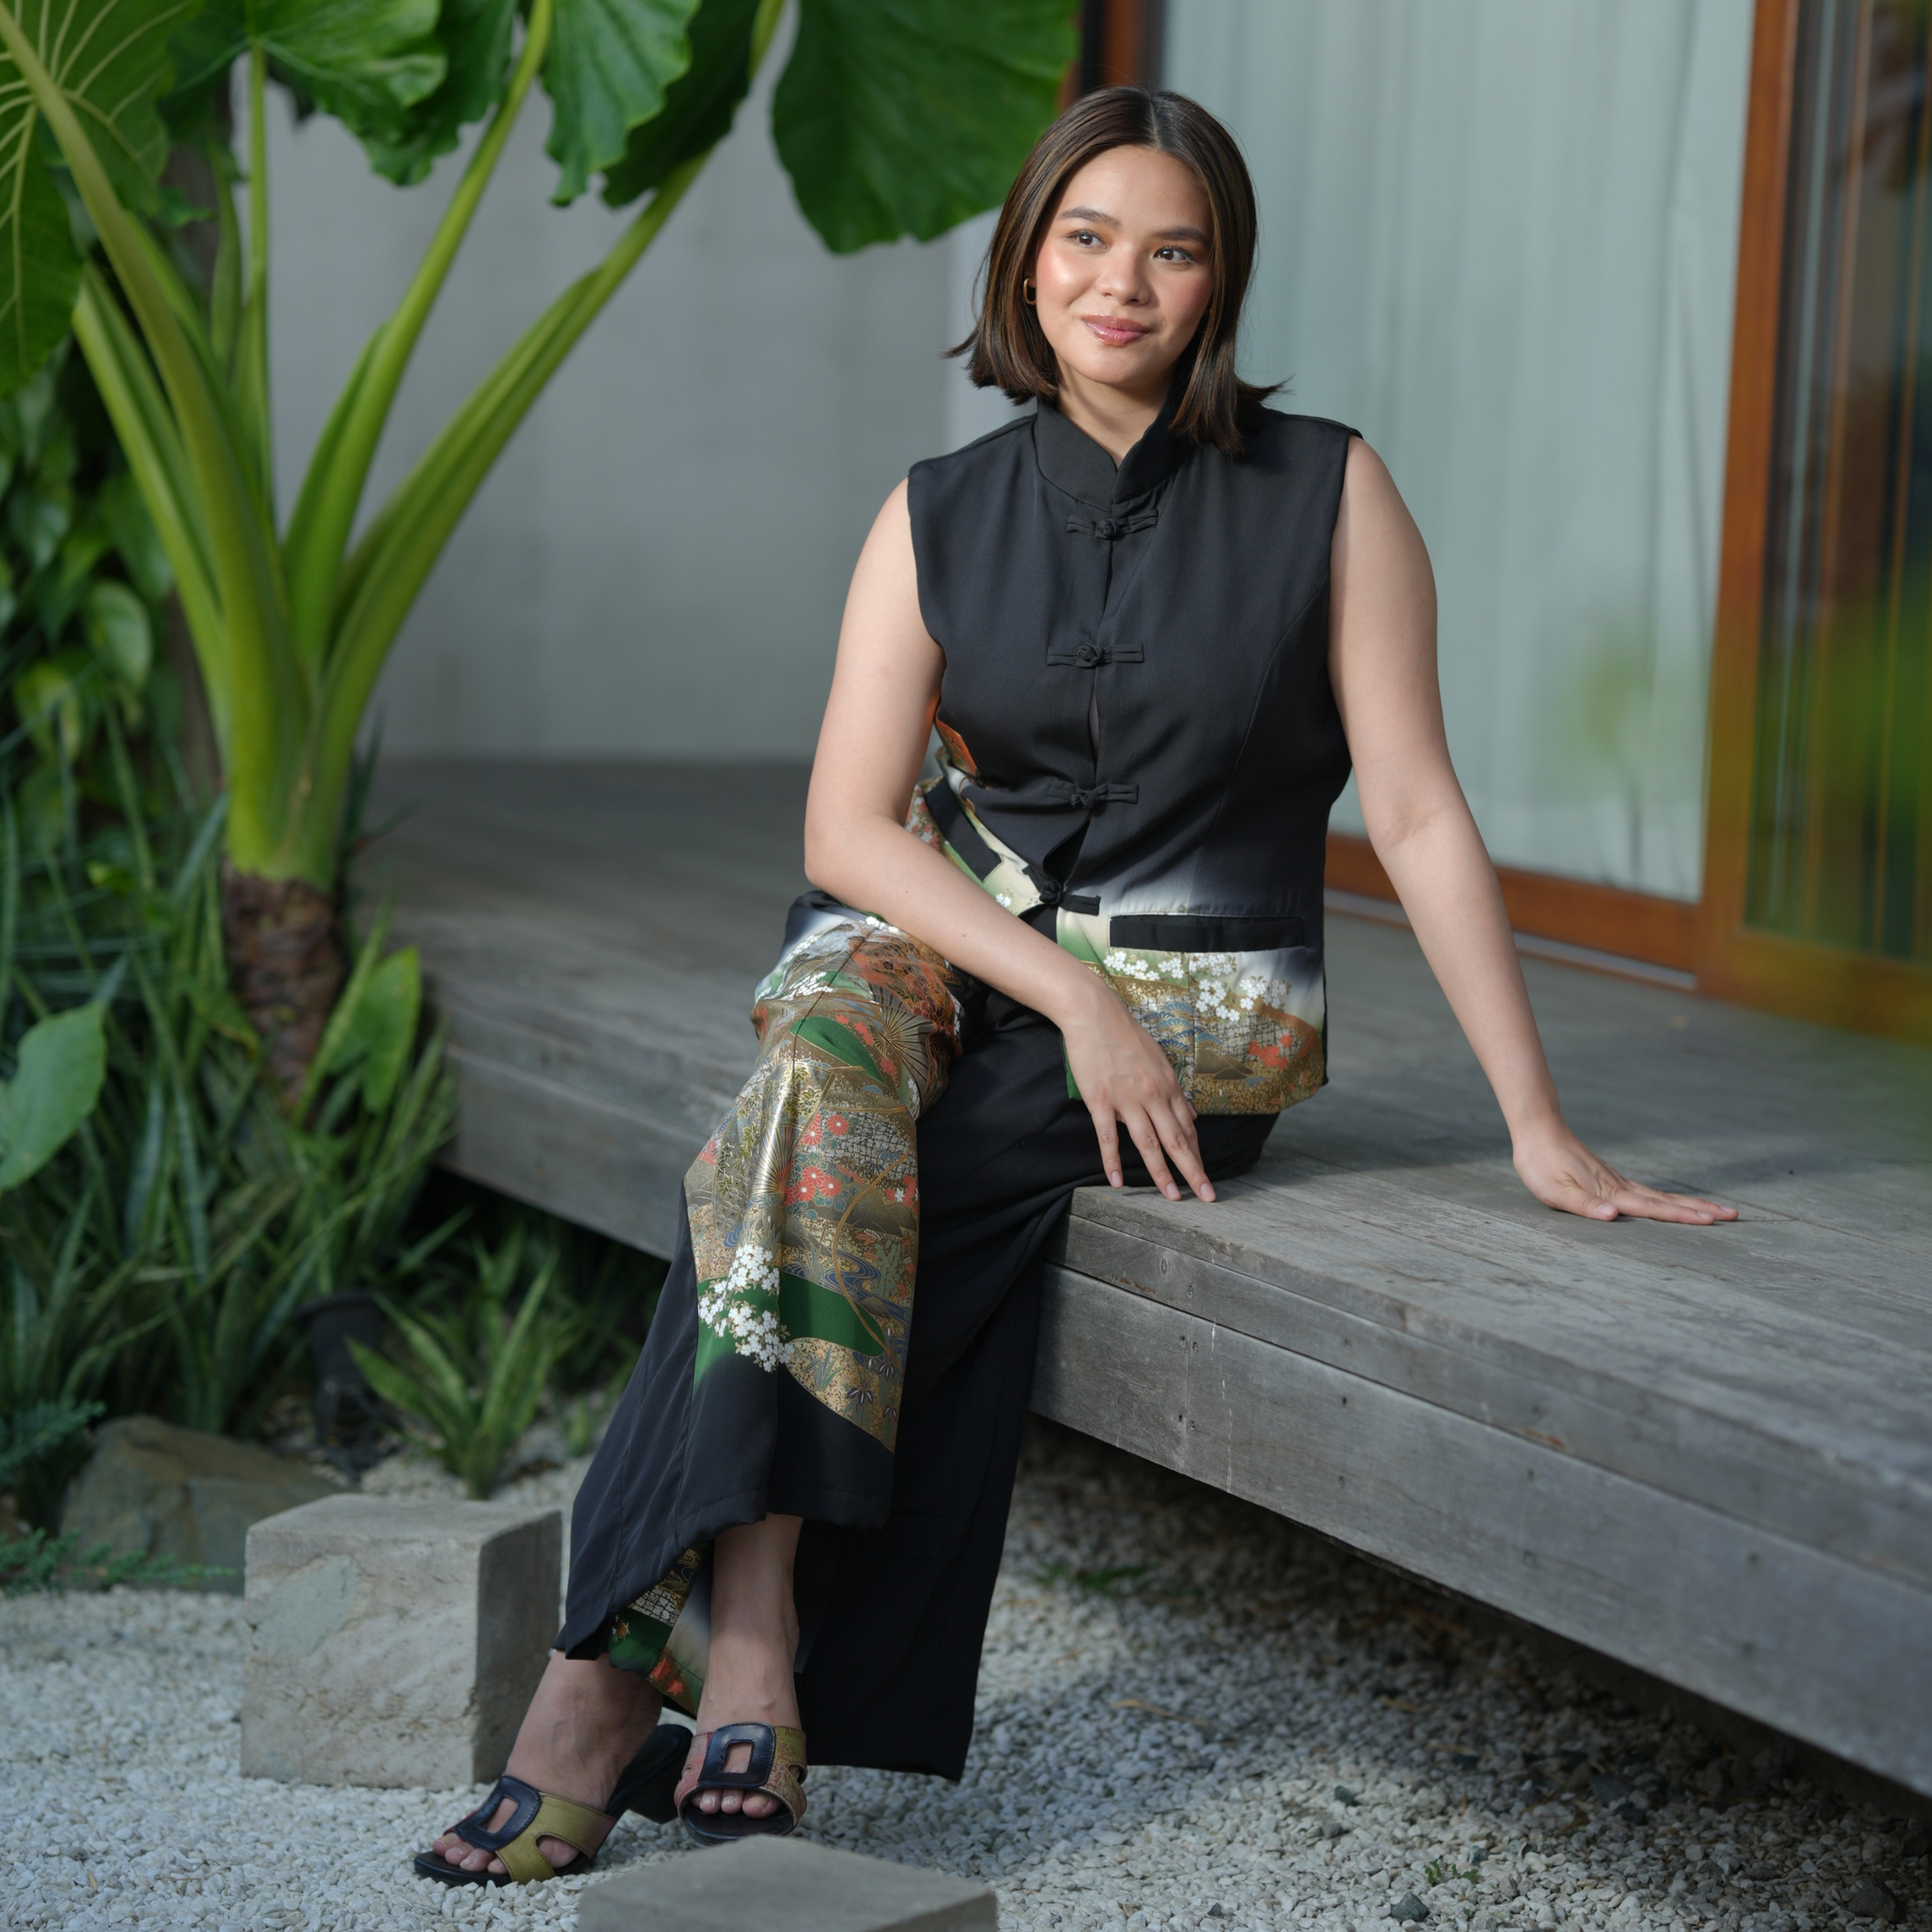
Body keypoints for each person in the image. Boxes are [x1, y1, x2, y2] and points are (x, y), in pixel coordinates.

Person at [416, 84, 1735, 1887]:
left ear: (1219, 283)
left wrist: (1536, 1121)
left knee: (797, 1148)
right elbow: (849, 826)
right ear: (1025, 263)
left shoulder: (1329, 492)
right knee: (819, 1081)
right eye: (1085, 239)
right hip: (952, 951)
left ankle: (615, 1671)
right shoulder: (935, 512)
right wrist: (1068, 995)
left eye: (1170, 251)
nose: (1121, 283)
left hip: (1197, 1012)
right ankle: (748, 1645)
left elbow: (1418, 810)